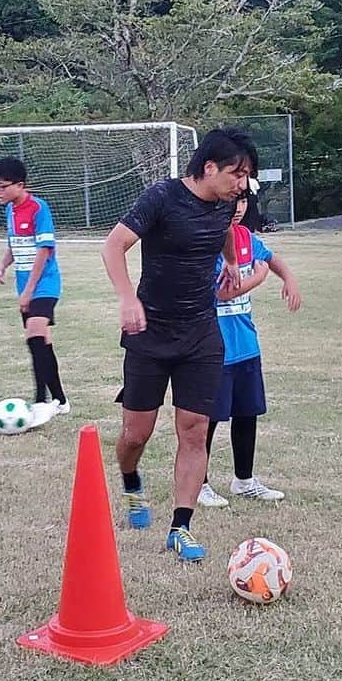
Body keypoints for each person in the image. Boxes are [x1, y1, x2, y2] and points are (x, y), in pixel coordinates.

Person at [101, 127, 253, 562]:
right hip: (149, 332)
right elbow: (113, 246)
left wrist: (228, 261)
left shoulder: (226, 206)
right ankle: (131, 482)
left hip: (201, 334)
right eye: (235, 174)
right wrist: (127, 298)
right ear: (209, 168)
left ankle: (180, 527)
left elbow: (224, 230)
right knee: (136, 434)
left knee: (194, 429)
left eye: (245, 176)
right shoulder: (162, 198)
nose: (241, 185)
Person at [199, 185, 303, 508]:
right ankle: (198, 483)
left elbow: (272, 260)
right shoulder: (208, 241)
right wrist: (257, 280)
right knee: (208, 420)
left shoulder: (246, 237)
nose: (239, 206)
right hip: (216, 349)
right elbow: (219, 294)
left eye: (243, 200)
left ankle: (244, 480)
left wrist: (289, 279)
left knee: (247, 414)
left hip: (246, 345)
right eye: (233, 200)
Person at [0, 158, 69, 427]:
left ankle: (40, 401)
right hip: (25, 284)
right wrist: (2, 265)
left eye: (2, 187)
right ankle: (59, 399)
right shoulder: (10, 211)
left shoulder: (39, 208)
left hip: (45, 283)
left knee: (35, 334)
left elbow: (43, 251)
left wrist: (29, 292)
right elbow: (14, 244)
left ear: (20, 185)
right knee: (41, 341)